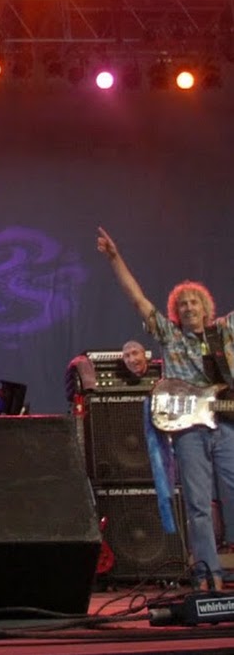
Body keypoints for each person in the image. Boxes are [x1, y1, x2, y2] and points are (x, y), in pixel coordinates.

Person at [96, 225, 234, 590]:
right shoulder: (169, 335)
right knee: (198, 505)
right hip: (188, 430)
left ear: (206, 307)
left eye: (194, 302)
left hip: (225, 424)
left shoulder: (224, 332)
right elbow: (137, 298)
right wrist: (115, 258)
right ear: (176, 310)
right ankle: (208, 575)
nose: (189, 307)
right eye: (182, 303)